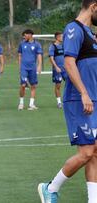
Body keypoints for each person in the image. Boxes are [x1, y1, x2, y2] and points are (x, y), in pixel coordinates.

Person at [38, 1, 97, 203]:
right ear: (94, 6)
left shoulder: (90, 33)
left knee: (94, 151)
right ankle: (50, 188)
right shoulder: (74, 28)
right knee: (86, 151)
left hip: (93, 99)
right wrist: (84, 93)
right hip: (80, 100)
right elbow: (69, 63)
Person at [17, 29, 43, 110]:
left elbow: (39, 55)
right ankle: (21, 103)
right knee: (23, 85)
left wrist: (39, 66)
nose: (24, 37)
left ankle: (31, 104)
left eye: (25, 35)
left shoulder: (37, 44)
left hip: (32, 68)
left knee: (33, 85)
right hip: (24, 67)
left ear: (30, 35)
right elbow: (20, 55)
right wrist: (19, 66)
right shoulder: (22, 44)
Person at [49, 31, 67, 109]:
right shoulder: (53, 46)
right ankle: (59, 102)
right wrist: (56, 67)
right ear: (57, 37)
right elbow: (51, 58)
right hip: (58, 69)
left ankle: (67, 100)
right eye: (61, 36)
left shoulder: (64, 46)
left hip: (66, 69)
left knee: (69, 84)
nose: (62, 38)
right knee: (58, 85)